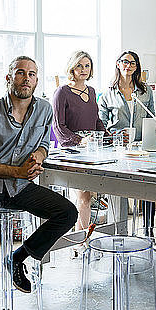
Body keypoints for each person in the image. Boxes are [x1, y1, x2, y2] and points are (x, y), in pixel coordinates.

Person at [0, 56, 78, 294]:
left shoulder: (45, 109)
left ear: (36, 81)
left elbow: (45, 143)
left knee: (67, 213)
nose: (26, 78)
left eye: (32, 74)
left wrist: (39, 153)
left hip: (20, 186)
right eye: (20, 73)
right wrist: (17, 171)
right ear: (9, 78)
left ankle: (17, 257)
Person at [99, 51, 156, 236]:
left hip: (143, 149)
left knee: (149, 189)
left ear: (136, 66)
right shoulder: (108, 94)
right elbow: (101, 123)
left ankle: (149, 231)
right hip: (119, 151)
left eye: (133, 63)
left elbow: (152, 119)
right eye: (125, 62)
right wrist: (116, 135)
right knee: (121, 189)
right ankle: (120, 232)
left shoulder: (145, 91)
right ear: (118, 64)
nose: (129, 65)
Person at [52, 51, 106, 235]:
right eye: (79, 66)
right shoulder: (62, 92)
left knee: (87, 197)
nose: (83, 69)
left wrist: (108, 136)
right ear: (72, 68)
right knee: (83, 196)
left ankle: (82, 240)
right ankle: (82, 241)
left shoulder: (91, 91)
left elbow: (96, 120)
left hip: (91, 150)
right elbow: (58, 126)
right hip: (72, 151)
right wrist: (80, 140)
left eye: (87, 66)